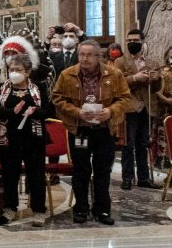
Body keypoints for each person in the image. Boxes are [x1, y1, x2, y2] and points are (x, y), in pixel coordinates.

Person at [51, 39, 133, 225]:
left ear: (98, 56)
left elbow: (125, 98)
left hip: (104, 129)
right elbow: (57, 99)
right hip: (79, 129)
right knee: (81, 170)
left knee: (103, 171)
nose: (84, 58)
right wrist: (77, 112)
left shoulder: (114, 74)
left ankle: (102, 210)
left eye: (89, 55)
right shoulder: (67, 75)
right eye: (81, 54)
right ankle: (81, 208)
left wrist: (110, 111)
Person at [0, 52, 53, 226]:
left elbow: (49, 111)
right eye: (11, 69)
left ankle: (38, 210)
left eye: (18, 70)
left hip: (33, 138)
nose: (14, 73)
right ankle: (10, 208)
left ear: (27, 72)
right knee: (9, 175)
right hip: (9, 138)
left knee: (35, 175)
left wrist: (35, 111)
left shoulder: (38, 89)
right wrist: (12, 112)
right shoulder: (3, 88)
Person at [114, 28, 157, 189]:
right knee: (128, 144)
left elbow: (158, 87)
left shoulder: (152, 63)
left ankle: (144, 178)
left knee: (143, 144)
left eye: (135, 41)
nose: (132, 43)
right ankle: (127, 177)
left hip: (147, 108)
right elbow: (116, 83)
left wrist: (156, 78)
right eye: (129, 41)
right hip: (130, 108)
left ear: (142, 42)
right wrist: (134, 78)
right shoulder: (120, 62)